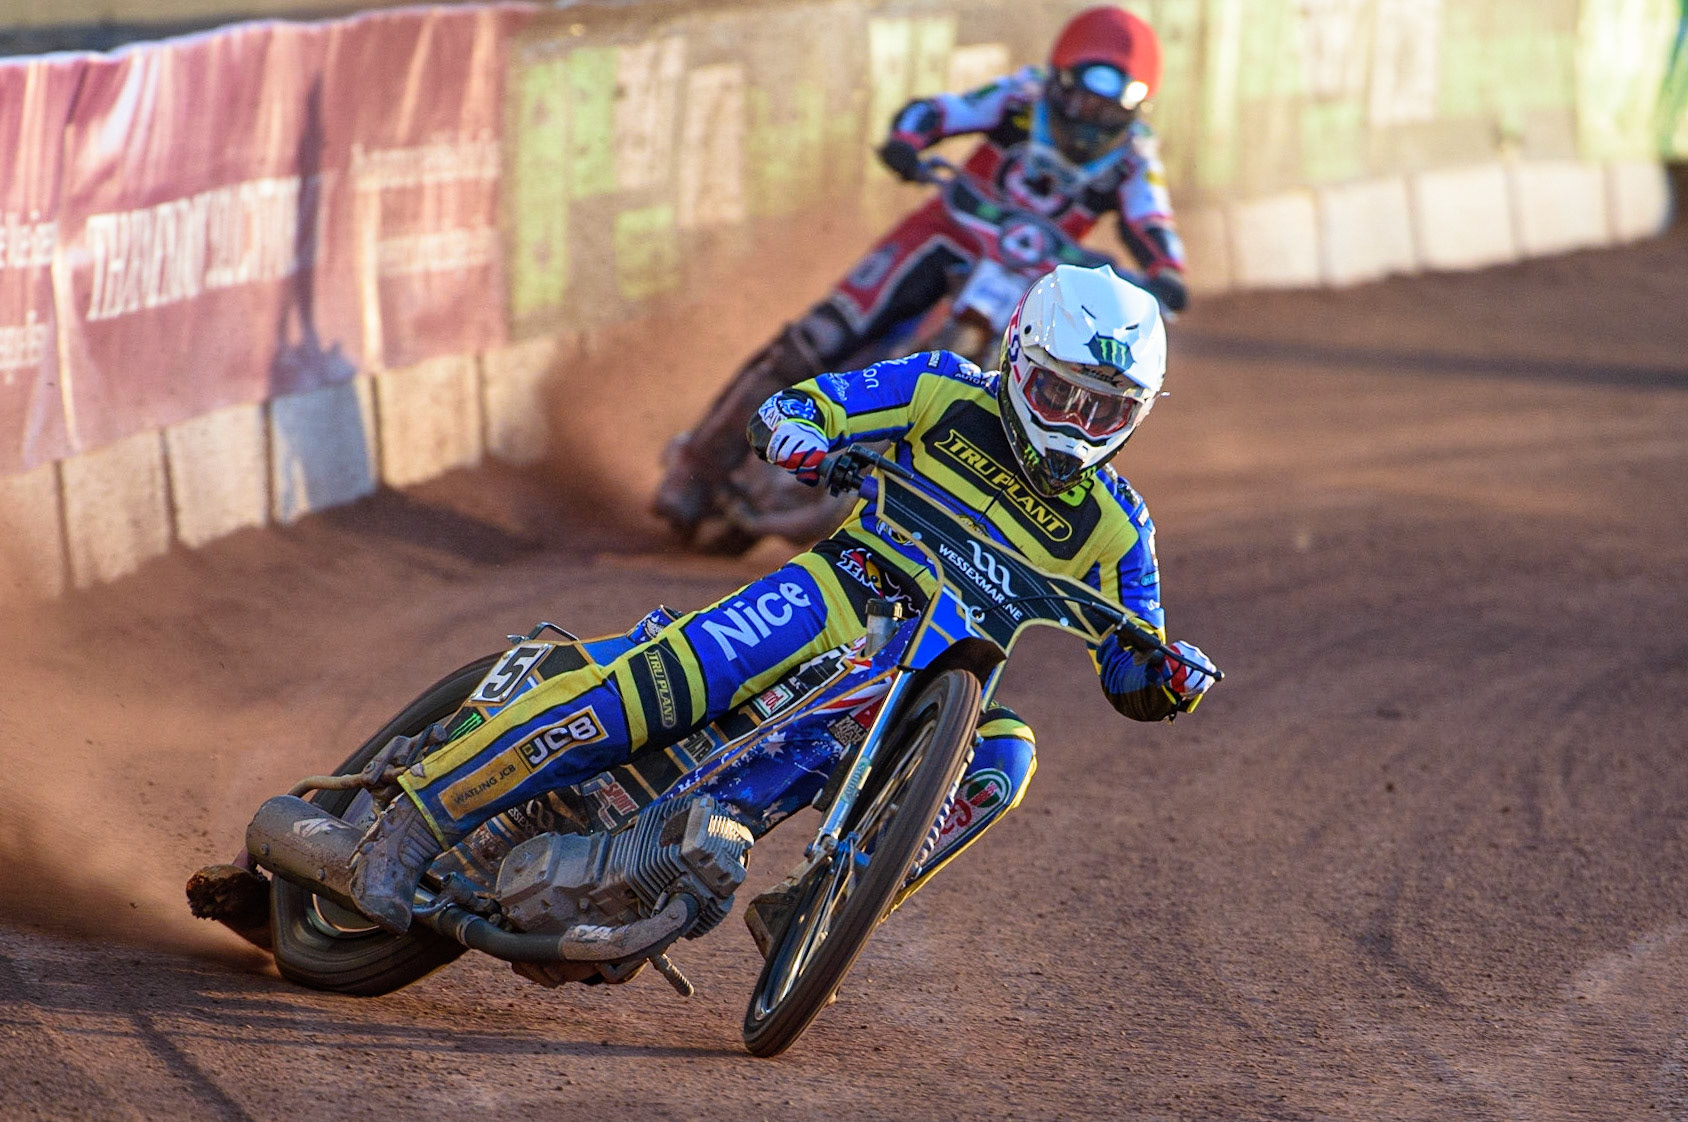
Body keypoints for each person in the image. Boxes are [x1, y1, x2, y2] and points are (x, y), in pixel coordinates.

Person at [350, 263, 1215, 936]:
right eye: (1061, 392)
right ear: (1020, 355)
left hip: (931, 687)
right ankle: (413, 826)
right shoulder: (944, 388)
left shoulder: (1119, 528)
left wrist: (1169, 676)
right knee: (653, 693)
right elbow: (804, 406)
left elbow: (1135, 663)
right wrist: (804, 438)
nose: (1074, 424)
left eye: (1105, 411)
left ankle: (830, 903)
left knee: (1007, 760)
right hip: (841, 595)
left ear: (1137, 415)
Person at [652, 4, 1189, 538]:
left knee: (1002, 387)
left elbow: (1152, 220)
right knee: (819, 338)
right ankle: (698, 465)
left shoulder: (1133, 158)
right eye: (1084, 101)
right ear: (1062, 80)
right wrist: (907, 142)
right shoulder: (1022, 99)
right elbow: (940, 111)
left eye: (1110, 110)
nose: (1092, 121)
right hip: (941, 235)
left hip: (1024, 277)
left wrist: (1165, 270)